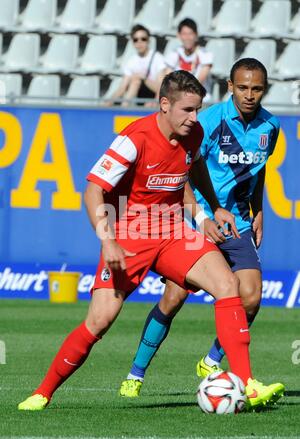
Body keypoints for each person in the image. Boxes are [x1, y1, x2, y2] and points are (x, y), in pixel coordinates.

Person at [19, 70, 278, 412]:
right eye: (187, 110)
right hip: (131, 234)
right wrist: (107, 239)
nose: (194, 118)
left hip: (173, 231)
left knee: (228, 285)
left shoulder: (194, 133)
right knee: (100, 321)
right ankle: (43, 392)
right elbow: (93, 189)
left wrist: (207, 212)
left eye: (198, 109)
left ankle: (246, 384)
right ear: (164, 104)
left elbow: (192, 169)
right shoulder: (134, 139)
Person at [119, 59, 285, 407]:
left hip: (238, 222)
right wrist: (200, 216)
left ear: (264, 89)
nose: (249, 95)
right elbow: (187, 169)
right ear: (230, 86)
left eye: (257, 89)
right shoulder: (207, 121)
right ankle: (135, 374)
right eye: (243, 87)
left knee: (251, 297)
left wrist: (258, 211)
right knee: (173, 298)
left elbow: (258, 172)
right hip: (203, 221)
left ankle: (212, 361)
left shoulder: (271, 127)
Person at [107, 24, 167, 107]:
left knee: (137, 79)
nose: (139, 42)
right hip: (139, 96)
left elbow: (161, 88)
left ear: (148, 40)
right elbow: (122, 87)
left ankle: (124, 108)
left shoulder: (158, 58)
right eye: (136, 39)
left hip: (155, 96)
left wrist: (144, 78)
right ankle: (123, 108)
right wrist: (107, 103)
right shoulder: (132, 61)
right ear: (132, 42)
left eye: (143, 39)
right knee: (135, 81)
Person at [164, 18, 213, 102]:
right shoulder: (173, 54)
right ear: (179, 35)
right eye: (184, 34)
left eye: (190, 33)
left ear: (196, 35)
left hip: (200, 97)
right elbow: (168, 79)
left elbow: (199, 82)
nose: (187, 37)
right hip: (177, 98)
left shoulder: (205, 54)